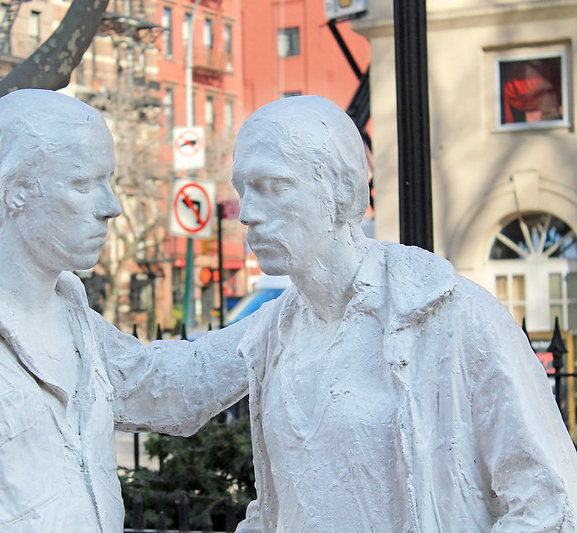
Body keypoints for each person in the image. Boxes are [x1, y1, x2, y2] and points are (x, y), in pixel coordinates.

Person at [0, 89, 251, 532]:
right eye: (83, 184)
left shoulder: (72, 316)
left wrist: (288, 314)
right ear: (15, 190)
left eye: (108, 180)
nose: (111, 207)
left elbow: (164, 387)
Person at [231, 95, 577, 532]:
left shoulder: (453, 316)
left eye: (273, 187)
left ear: (342, 191)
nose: (247, 214)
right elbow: (282, 506)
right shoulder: (272, 337)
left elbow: (549, 504)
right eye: (242, 191)